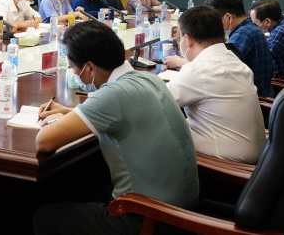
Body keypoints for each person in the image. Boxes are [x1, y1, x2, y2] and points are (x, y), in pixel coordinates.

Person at [33, 21, 198, 235]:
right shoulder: (148, 78)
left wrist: (56, 121)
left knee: (44, 217)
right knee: (92, 189)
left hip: (148, 218)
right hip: (182, 210)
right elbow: (120, 113)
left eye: (74, 68)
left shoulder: (112, 94)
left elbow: (44, 141)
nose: (75, 74)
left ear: (90, 67)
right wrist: (69, 113)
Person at [165, 5, 266, 164]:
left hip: (224, 165)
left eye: (180, 38)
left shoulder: (198, 70)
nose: (180, 42)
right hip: (256, 155)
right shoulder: (235, 61)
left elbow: (156, 103)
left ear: (188, 40)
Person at [203, 0, 274, 97]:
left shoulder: (243, 34)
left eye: (215, 20)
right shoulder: (250, 28)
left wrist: (181, 62)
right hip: (260, 95)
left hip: (256, 99)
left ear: (228, 17)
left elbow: (217, 72)